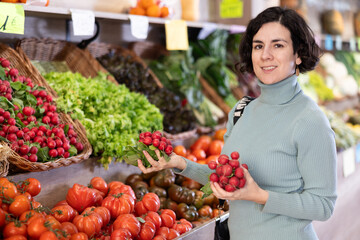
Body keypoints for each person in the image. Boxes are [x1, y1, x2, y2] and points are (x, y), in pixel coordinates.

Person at [137, 6, 337, 240]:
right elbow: (225, 180)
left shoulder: (310, 120)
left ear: (299, 54)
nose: (265, 55)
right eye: (258, 46)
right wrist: (180, 163)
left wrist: (260, 195)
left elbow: (324, 206)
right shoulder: (241, 111)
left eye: (278, 45)